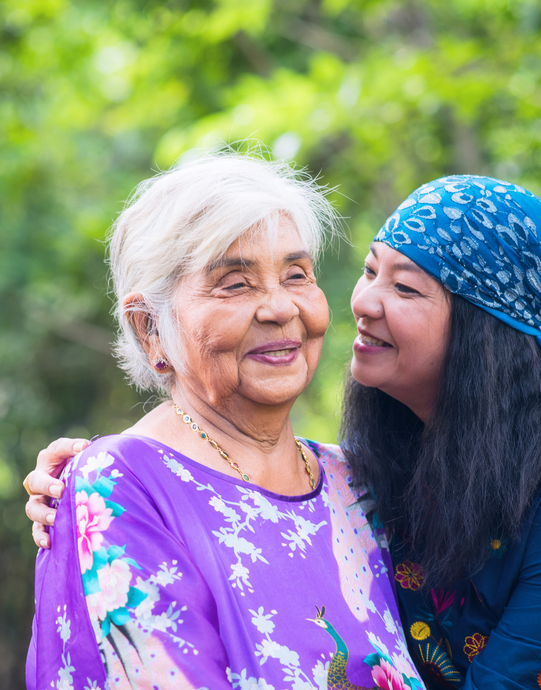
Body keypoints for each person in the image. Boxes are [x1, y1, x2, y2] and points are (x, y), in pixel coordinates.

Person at [27, 174, 541, 690]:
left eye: (406, 287)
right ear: (147, 326)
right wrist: (105, 476)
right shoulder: (374, 469)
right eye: (367, 271)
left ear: (488, 333)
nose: (360, 303)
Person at [24, 152, 423, 690]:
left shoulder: (355, 480)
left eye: (297, 274)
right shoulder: (125, 482)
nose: (280, 307)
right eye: (235, 284)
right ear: (149, 329)